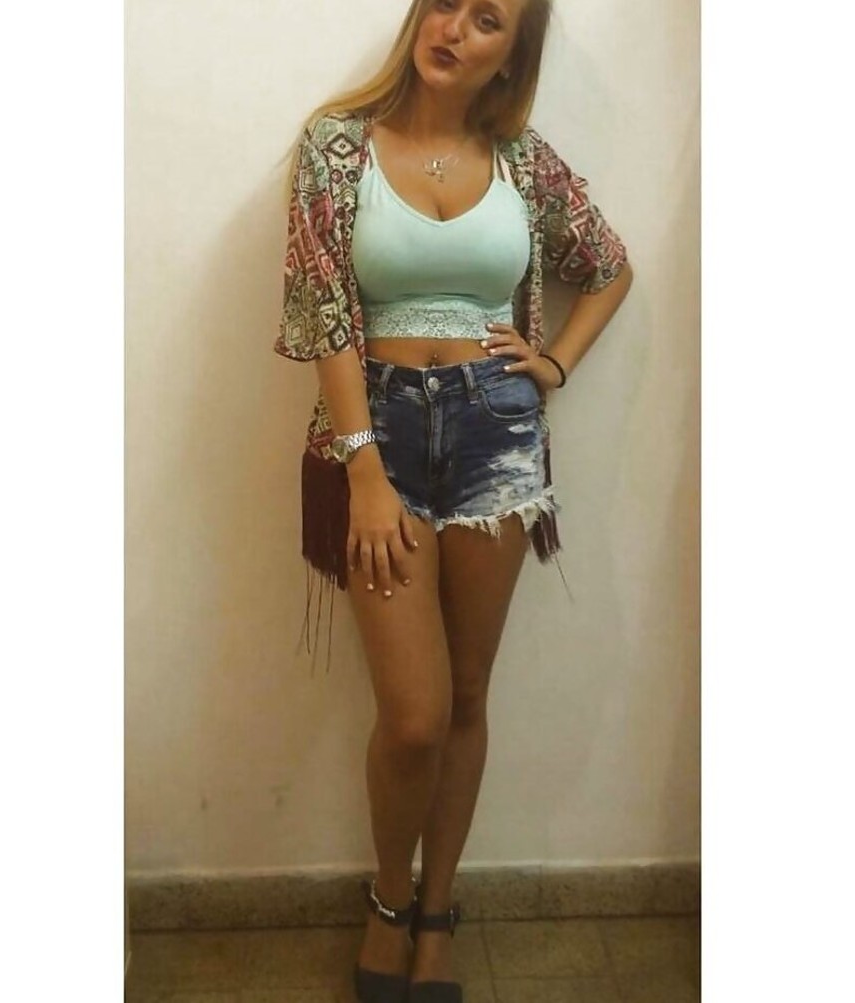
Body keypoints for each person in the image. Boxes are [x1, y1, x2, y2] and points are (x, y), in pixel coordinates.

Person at [275, 0, 632, 999]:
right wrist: (362, 470)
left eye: (486, 20)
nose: (453, 29)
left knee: (468, 696)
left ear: (512, 54)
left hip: (496, 435)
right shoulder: (335, 146)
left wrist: (554, 362)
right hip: (375, 435)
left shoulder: (525, 163)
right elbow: (324, 312)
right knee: (415, 716)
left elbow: (609, 268)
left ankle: (438, 912)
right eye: (443, 3)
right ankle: (389, 900)